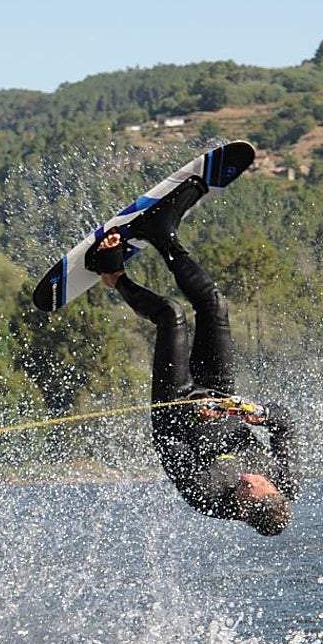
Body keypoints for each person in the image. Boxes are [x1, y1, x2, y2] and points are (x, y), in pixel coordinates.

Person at [87, 177, 298, 535]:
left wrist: (190, 411)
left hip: (176, 405)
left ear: (245, 509)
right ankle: (163, 234)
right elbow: (285, 423)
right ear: (275, 490)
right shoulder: (285, 485)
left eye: (248, 487)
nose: (251, 476)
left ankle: (113, 275)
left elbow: (169, 444)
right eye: (261, 481)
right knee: (214, 304)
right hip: (221, 394)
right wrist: (254, 413)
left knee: (171, 314)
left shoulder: (207, 496)